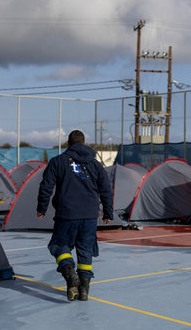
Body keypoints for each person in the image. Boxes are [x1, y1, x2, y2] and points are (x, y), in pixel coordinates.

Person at [37, 129, 114, 301]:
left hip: (67, 214)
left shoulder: (58, 162)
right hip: (89, 215)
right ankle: (84, 289)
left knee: (59, 246)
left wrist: (41, 208)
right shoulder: (96, 165)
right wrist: (108, 212)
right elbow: (106, 190)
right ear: (84, 144)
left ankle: (70, 273)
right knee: (86, 250)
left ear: (68, 144)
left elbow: (46, 186)